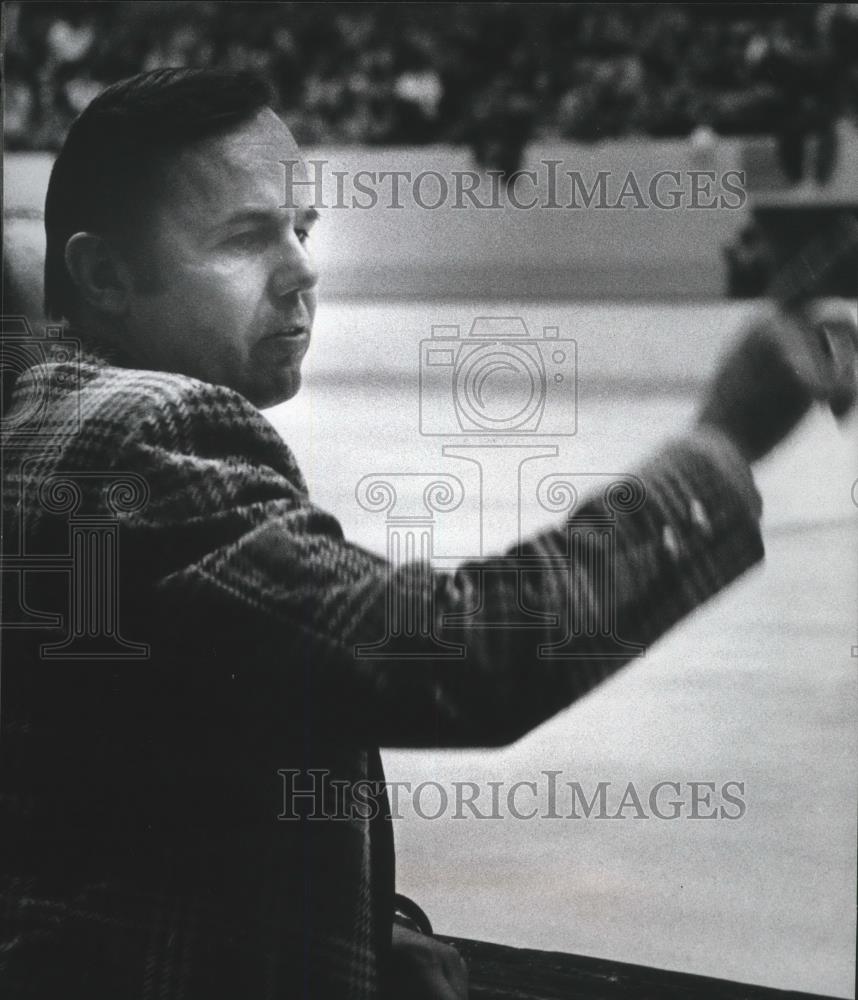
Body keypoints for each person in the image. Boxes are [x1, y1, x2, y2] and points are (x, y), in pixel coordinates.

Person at [1, 68, 855, 1000]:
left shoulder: (45, 421)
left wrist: (362, 931)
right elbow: (457, 656)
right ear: (103, 276)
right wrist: (723, 443)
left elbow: (130, 800)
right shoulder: (146, 433)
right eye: (247, 237)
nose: (302, 267)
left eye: (302, 228)